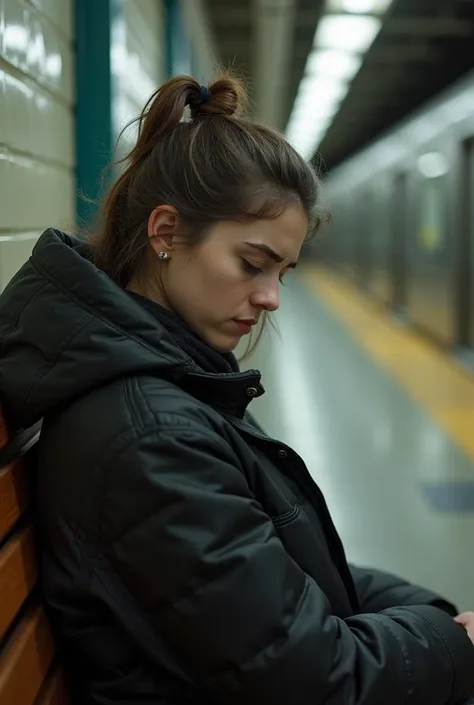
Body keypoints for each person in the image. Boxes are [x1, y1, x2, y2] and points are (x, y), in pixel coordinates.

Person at [0, 74, 473, 705]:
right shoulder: (150, 436)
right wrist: (451, 646)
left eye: (282, 271)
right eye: (252, 264)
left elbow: (283, 573)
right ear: (165, 232)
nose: (270, 297)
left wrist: (439, 620)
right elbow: (310, 679)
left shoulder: (167, 378)